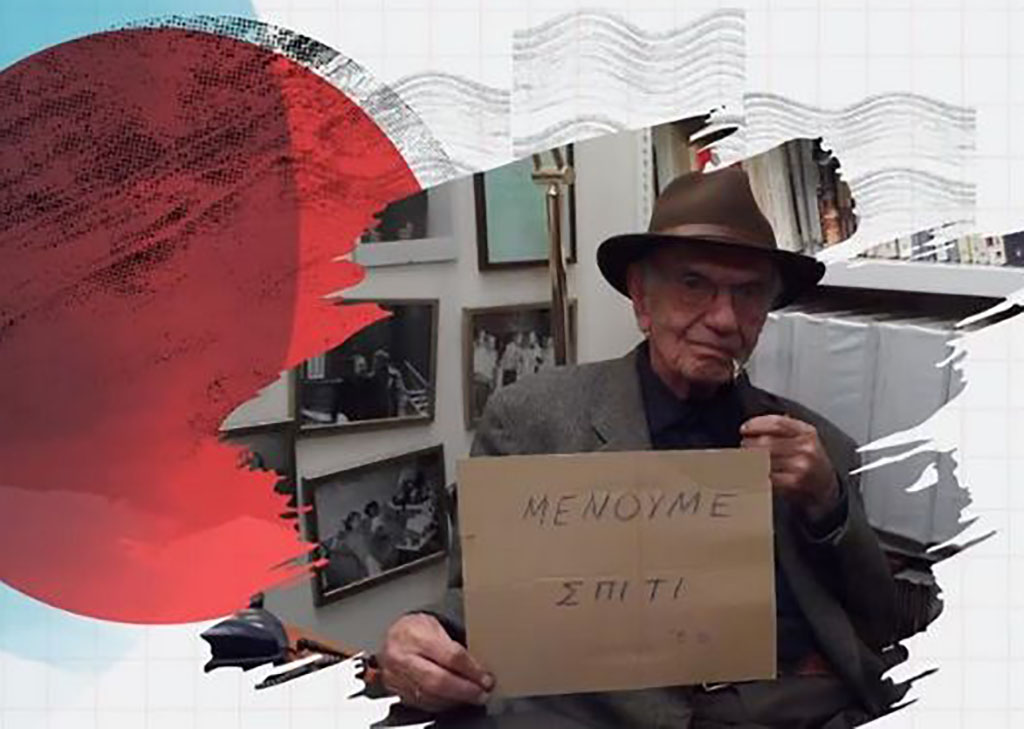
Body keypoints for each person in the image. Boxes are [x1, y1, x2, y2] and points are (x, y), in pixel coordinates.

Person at [376, 167, 903, 727]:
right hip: (602, 714)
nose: (724, 318)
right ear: (641, 297)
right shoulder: (532, 421)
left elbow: (880, 623)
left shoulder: (817, 448)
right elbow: (486, 602)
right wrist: (421, 631)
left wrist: (828, 503)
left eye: (748, 292)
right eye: (694, 284)